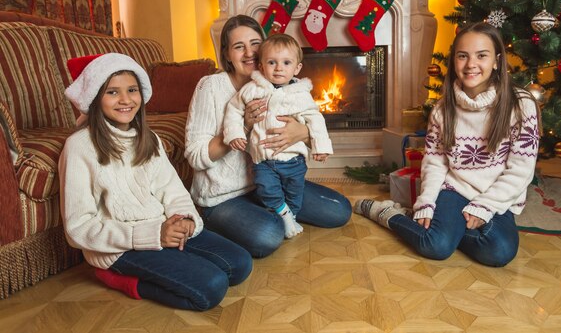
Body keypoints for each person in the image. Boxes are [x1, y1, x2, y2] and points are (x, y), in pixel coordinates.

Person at [59, 53, 252, 311]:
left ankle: (174, 257)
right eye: (112, 93)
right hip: (122, 246)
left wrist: (184, 218)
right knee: (212, 286)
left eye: (131, 90)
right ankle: (124, 281)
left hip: (161, 229)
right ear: (95, 97)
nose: (126, 100)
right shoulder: (79, 147)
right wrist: (152, 236)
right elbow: (78, 228)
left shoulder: (148, 138)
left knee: (240, 264)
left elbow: (171, 189)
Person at [355, 22, 541, 267]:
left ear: (496, 61)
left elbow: (521, 170)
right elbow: (435, 163)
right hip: (454, 189)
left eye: (481, 56)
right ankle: (387, 213)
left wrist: (484, 206)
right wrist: (427, 202)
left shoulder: (521, 105)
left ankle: (444, 230)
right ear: (454, 61)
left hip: (495, 194)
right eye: (462, 56)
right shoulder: (443, 110)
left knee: (500, 252)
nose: (471, 64)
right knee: (436, 247)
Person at [185, 15, 351, 258]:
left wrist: (303, 132)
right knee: (268, 234)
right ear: (227, 54)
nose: (250, 52)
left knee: (340, 211)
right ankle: (222, 222)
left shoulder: (283, 85)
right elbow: (194, 156)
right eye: (239, 46)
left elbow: (310, 117)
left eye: (255, 44)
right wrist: (240, 127)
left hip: (273, 182)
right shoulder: (211, 87)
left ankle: (273, 212)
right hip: (223, 197)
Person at [223, 33, 333, 238]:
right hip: (263, 160)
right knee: (266, 189)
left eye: (286, 62)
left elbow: (315, 119)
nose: (279, 68)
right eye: (272, 62)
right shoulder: (252, 89)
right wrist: (235, 132)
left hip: (293, 160)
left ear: (297, 68)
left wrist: (321, 146)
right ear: (262, 66)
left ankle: (290, 215)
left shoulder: (301, 94)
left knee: (295, 193)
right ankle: (283, 215)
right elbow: (234, 110)